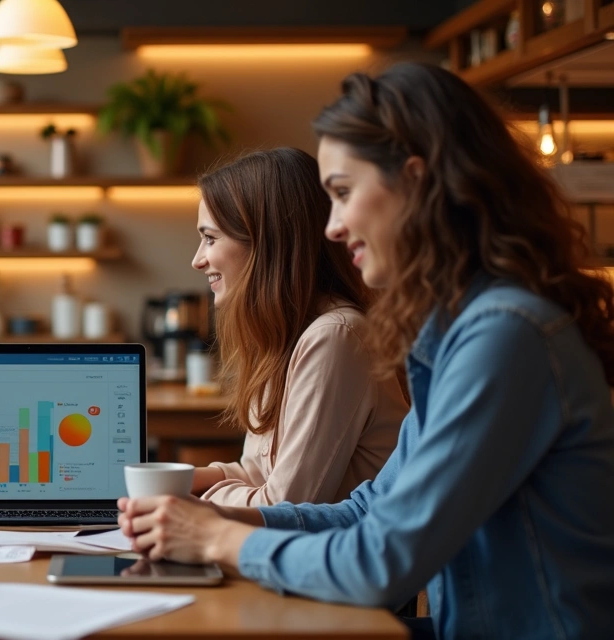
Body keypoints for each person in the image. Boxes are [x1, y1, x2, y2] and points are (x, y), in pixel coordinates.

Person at [118, 62, 614, 639]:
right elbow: (365, 511)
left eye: (344, 193)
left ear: (416, 183)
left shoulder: (506, 338)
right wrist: (224, 517)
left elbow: (382, 562)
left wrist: (217, 538)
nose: (330, 227)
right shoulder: (457, 337)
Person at [189, 148, 406, 506]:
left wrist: (195, 503)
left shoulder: (336, 337)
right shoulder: (284, 337)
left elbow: (283, 508)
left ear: (267, 243)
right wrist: (184, 479)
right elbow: (258, 474)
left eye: (210, 238)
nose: (198, 260)